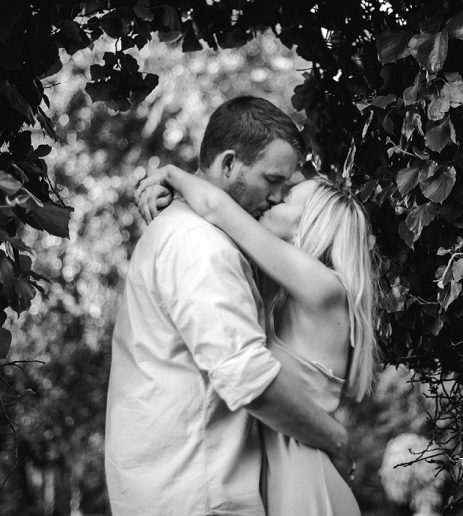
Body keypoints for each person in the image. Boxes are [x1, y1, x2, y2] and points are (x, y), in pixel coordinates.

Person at [104, 96, 354, 516]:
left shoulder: (205, 238)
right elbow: (248, 377)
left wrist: (171, 176)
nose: (276, 197)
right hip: (199, 493)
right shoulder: (201, 246)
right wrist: (338, 439)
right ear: (228, 164)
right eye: (272, 180)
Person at [134, 165, 378, 516]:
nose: (273, 200)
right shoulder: (288, 294)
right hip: (282, 472)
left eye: (288, 199)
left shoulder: (326, 290)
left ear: (308, 226)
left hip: (304, 481)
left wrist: (168, 173)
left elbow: (218, 208)